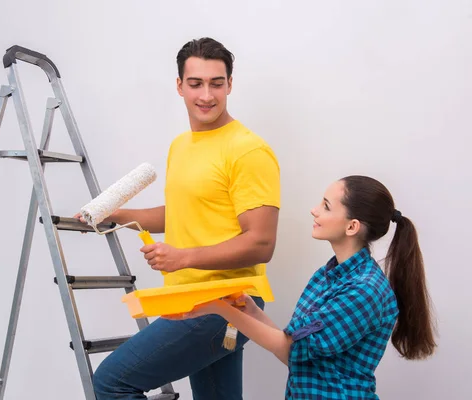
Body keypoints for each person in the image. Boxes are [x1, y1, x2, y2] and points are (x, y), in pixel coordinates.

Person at [77, 37, 282, 399]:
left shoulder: (248, 150)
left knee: (111, 383)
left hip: (225, 304)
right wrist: (119, 215)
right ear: (179, 86)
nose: (206, 95)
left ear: (230, 85)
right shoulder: (181, 146)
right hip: (190, 301)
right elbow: (186, 212)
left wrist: (183, 257)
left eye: (216, 83)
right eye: (195, 83)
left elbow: (261, 243)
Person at [172, 175, 437, 399]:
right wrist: (251, 312)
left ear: (352, 226)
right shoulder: (326, 275)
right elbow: (296, 353)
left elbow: (293, 350)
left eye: (326, 206)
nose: (315, 210)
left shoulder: (364, 291)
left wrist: (222, 310)